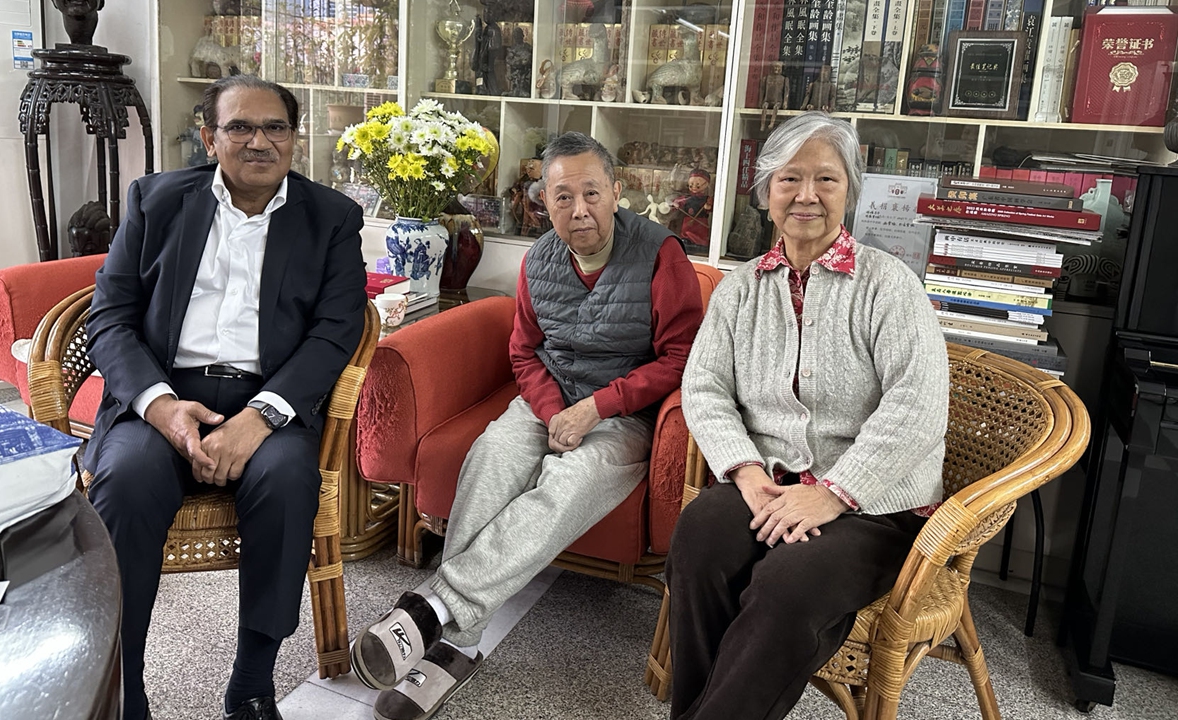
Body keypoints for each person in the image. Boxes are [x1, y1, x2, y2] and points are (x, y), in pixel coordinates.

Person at [353, 132, 703, 720]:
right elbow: (524, 353)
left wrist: (596, 408)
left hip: (625, 414)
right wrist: (549, 411)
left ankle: (431, 612)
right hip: (546, 400)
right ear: (545, 203)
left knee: (563, 488)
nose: (580, 210)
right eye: (562, 197)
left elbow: (679, 358)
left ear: (617, 191)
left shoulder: (661, 254)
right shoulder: (539, 258)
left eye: (592, 192)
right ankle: (457, 645)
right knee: (489, 460)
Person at [85, 74, 367, 720]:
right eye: (240, 127)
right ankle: (124, 688)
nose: (259, 141)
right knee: (124, 480)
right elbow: (109, 317)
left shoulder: (332, 220)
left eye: (275, 128)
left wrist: (260, 419)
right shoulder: (155, 202)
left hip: (268, 400)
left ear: (295, 140)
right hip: (163, 394)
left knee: (291, 477)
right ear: (210, 137)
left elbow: (334, 333)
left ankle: (251, 682)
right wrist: (160, 407)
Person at [666, 111, 949, 719]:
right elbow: (705, 388)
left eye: (827, 180)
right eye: (790, 179)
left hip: (875, 507)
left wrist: (834, 494)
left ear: (849, 192)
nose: (807, 195)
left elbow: (918, 405)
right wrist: (744, 473)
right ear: (767, 191)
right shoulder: (741, 289)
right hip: (766, 483)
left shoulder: (888, 285)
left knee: (786, 585)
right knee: (699, 540)